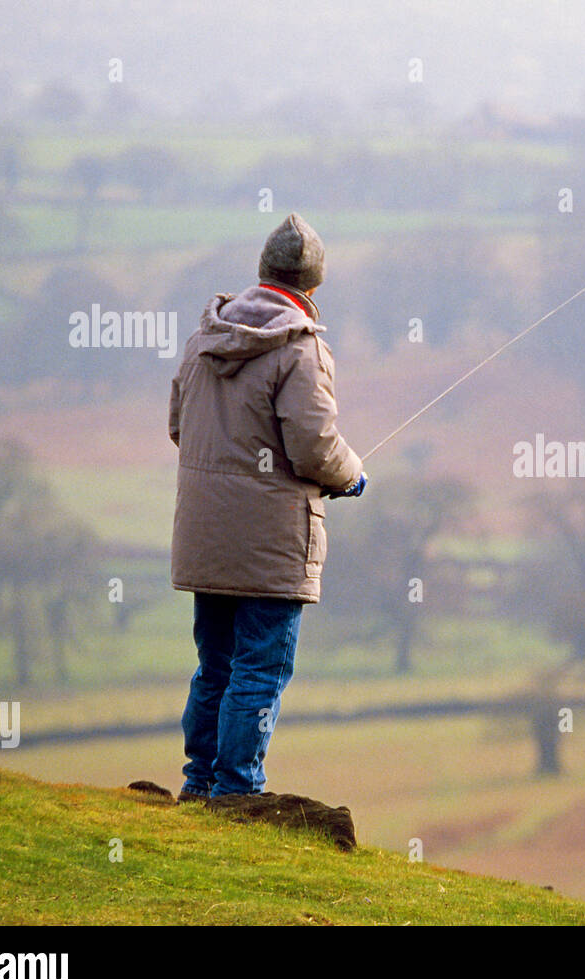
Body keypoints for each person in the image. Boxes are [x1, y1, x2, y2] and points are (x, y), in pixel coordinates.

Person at [168, 212, 366, 802]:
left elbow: (180, 426)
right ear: (313, 286)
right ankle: (238, 793)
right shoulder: (301, 351)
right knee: (260, 669)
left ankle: (199, 783)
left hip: (207, 536)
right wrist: (353, 476)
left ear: (262, 271)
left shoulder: (204, 338)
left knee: (216, 666)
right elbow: (314, 447)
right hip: (272, 545)